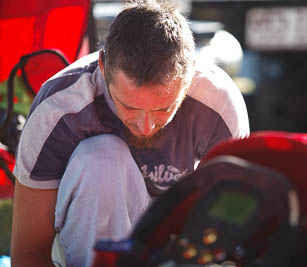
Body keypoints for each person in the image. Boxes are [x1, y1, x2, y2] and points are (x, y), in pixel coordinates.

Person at [10, 1, 249, 266]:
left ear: (190, 75)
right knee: (101, 158)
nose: (145, 126)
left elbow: (233, 230)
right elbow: (28, 253)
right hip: (83, 246)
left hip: (178, 247)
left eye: (163, 108)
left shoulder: (218, 105)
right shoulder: (58, 110)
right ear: (102, 67)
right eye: (129, 106)